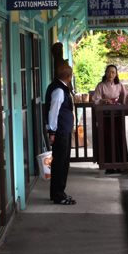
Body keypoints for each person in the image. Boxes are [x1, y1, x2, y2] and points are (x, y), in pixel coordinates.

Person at [90, 65, 128, 173]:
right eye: (108, 72)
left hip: (117, 115)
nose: (110, 74)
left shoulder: (119, 85)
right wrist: (103, 101)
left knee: (119, 137)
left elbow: (127, 95)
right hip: (105, 116)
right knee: (107, 138)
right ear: (105, 73)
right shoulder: (101, 85)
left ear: (116, 74)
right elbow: (95, 99)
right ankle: (108, 165)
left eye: (113, 72)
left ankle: (121, 163)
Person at [45, 63, 76, 205]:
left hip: (63, 130)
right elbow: (53, 112)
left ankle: (57, 193)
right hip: (60, 131)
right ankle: (59, 195)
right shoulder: (59, 90)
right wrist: (52, 131)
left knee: (61, 162)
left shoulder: (58, 87)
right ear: (69, 77)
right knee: (60, 163)